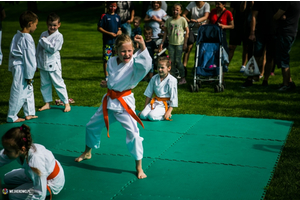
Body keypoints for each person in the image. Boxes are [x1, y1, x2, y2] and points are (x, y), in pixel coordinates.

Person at [75, 34, 152, 180]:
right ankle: (87, 152)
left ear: (134, 50)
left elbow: (146, 65)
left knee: (134, 135)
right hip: (110, 100)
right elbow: (113, 78)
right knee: (91, 125)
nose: (127, 54)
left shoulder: (135, 64)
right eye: (123, 51)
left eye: (130, 51)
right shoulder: (111, 61)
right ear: (116, 50)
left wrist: (142, 46)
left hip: (124, 103)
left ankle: (139, 167)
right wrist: (107, 83)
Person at [0, 124, 65, 199]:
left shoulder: (36, 162)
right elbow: (1, 157)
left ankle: (32, 184)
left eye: (7, 150)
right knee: (7, 178)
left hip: (50, 182)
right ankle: (31, 182)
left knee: (13, 195)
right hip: (33, 173)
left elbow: (40, 193)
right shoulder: (20, 148)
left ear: (22, 149)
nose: (4, 152)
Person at [7, 11, 39, 123]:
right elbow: (29, 58)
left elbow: (12, 53)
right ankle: (12, 116)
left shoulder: (17, 35)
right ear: (30, 24)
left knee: (28, 89)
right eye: (36, 24)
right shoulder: (27, 38)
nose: (36, 27)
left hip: (18, 66)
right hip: (22, 67)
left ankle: (29, 113)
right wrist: (30, 75)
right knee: (19, 91)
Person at [37, 12, 71, 113]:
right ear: (47, 24)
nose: (52, 27)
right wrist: (36, 61)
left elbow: (53, 49)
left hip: (53, 63)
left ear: (59, 25)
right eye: (50, 25)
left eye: (55, 25)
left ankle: (66, 103)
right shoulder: (43, 34)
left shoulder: (59, 36)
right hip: (43, 62)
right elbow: (38, 49)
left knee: (58, 83)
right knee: (44, 84)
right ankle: (47, 103)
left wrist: (45, 41)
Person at [242, 2, 279, 87]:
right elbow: (254, 16)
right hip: (260, 32)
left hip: (274, 33)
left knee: (270, 57)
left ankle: (265, 80)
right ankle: (250, 78)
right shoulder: (259, 1)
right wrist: (252, 32)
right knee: (256, 56)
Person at [139, 56, 178, 121]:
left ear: (169, 68)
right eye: (158, 67)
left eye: (162, 68)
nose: (160, 69)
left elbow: (174, 97)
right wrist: (144, 109)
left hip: (164, 104)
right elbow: (148, 94)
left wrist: (169, 111)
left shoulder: (172, 80)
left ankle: (164, 116)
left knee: (151, 116)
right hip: (155, 102)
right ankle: (152, 112)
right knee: (143, 116)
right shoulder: (154, 78)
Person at [273, 2, 300, 91]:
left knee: (283, 58)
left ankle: (286, 84)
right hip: (292, 31)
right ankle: (289, 82)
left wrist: (278, 16)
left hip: (285, 32)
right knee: (284, 56)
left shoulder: (287, 2)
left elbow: (276, 16)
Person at [160, 3, 189, 85]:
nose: (175, 11)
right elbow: (165, 32)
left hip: (179, 43)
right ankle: (172, 77)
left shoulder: (183, 20)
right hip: (171, 44)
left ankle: (183, 77)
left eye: (177, 9)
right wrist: (162, 42)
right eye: (174, 9)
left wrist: (185, 43)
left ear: (180, 11)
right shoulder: (169, 20)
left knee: (178, 60)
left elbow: (187, 31)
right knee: (171, 61)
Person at [182, 1, 210, 77]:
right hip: (192, 29)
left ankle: (197, 67)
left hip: (202, 30)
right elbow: (184, 14)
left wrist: (197, 21)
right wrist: (188, 21)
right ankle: (184, 67)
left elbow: (206, 17)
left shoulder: (206, 5)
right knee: (188, 48)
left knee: (200, 50)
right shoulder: (192, 3)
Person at [98, 1, 122, 81]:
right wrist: (109, 33)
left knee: (117, 58)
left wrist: (119, 32)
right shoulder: (104, 16)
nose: (112, 8)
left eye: (114, 6)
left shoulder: (117, 16)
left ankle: (115, 74)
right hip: (107, 42)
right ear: (108, 6)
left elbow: (119, 28)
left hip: (116, 43)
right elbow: (99, 28)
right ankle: (107, 76)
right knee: (107, 59)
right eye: (111, 6)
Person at [228, 1, 253, 73]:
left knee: (246, 47)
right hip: (236, 25)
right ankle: (226, 65)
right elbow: (231, 12)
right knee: (231, 47)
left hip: (248, 26)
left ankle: (243, 65)